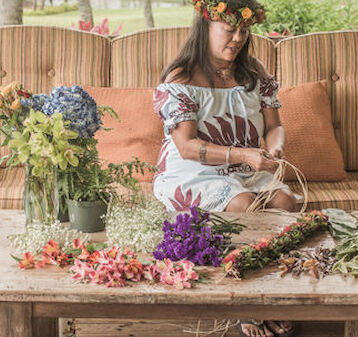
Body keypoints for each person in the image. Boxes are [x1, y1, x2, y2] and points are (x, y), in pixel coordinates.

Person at [152, 1, 296, 336]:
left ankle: (278, 295)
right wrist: (244, 155)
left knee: (285, 202)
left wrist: (274, 145)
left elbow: (275, 125)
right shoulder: (182, 76)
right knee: (243, 205)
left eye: (244, 30)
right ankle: (245, 304)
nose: (237, 38)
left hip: (243, 166)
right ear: (206, 26)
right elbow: (186, 147)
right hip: (194, 169)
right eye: (229, 29)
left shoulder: (254, 72)